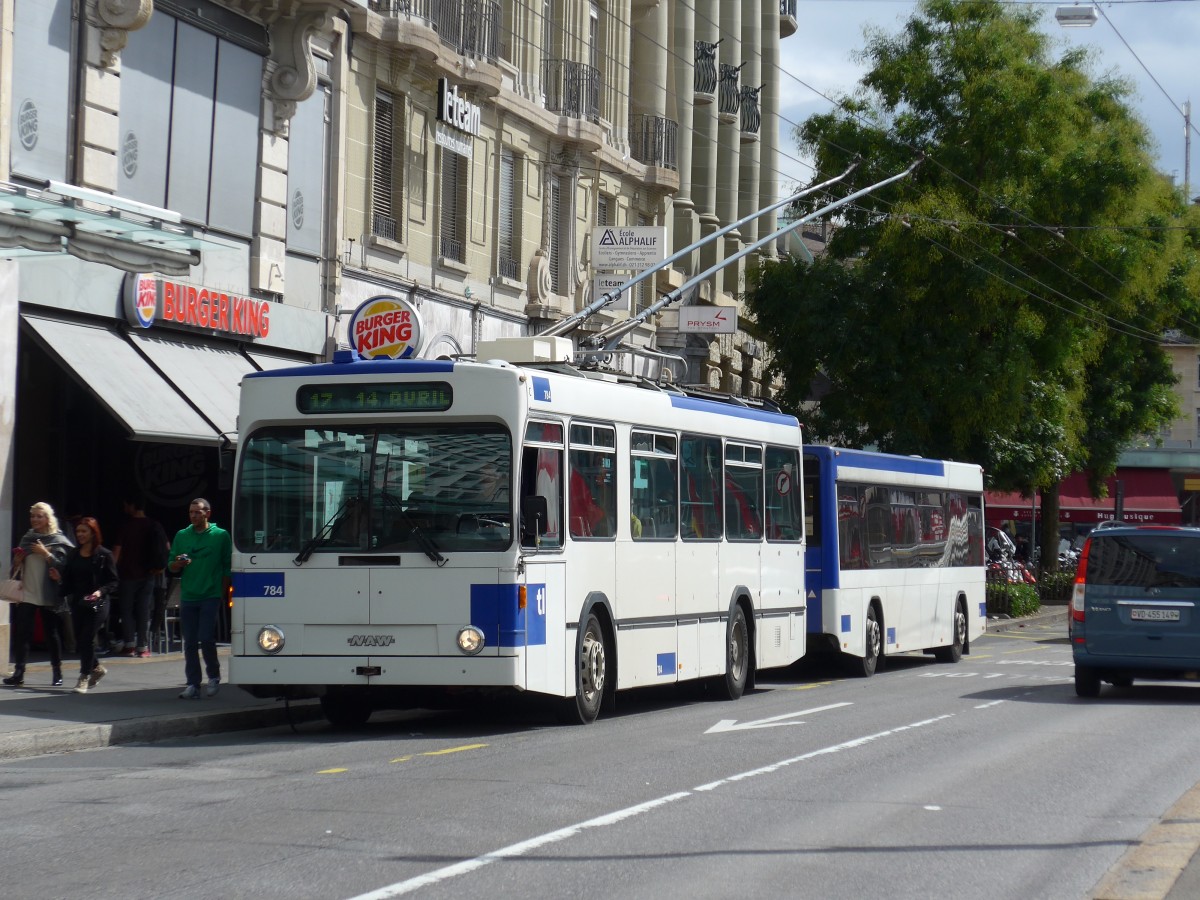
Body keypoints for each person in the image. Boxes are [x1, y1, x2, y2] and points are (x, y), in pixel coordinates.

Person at [3, 502, 73, 688]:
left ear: (48, 518)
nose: (35, 519)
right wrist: (17, 561)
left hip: (49, 593)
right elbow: (17, 566)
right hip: (28, 592)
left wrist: (45, 554)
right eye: (33, 516)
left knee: (52, 634)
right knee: (22, 633)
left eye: (39, 516)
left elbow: (63, 566)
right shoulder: (28, 537)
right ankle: (19, 673)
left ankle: (57, 672)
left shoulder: (58, 539)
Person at [169, 498, 232, 700]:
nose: (194, 515)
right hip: (189, 594)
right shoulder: (182, 535)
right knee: (189, 642)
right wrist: (178, 564)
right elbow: (171, 564)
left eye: (198, 512)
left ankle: (213, 676)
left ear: (208, 513)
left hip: (210, 594)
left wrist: (222, 591)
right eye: (191, 512)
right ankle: (193, 684)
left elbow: (227, 565)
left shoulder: (220, 535)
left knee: (206, 638)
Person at [52, 517, 118, 694]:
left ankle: (84, 677)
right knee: (81, 640)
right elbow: (68, 581)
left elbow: (113, 582)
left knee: (87, 637)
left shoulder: (104, 555)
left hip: (98, 603)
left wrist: (100, 592)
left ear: (93, 533)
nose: (80, 534)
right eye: (78, 531)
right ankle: (96, 668)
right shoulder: (74, 554)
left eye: (84, 531)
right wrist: (59, 580)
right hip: (79, 602)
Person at [112, 494, 169, 657]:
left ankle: (129, 644)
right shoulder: (154, 524)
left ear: (131, 505)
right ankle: (142, 647)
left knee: (127, 609)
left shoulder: (125, 526)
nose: (124, 508)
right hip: (149, 574)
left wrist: (111, 572)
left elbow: (116, 552)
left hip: (128, 574)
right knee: (144, 610)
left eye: (126, 505)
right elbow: (166, 546)